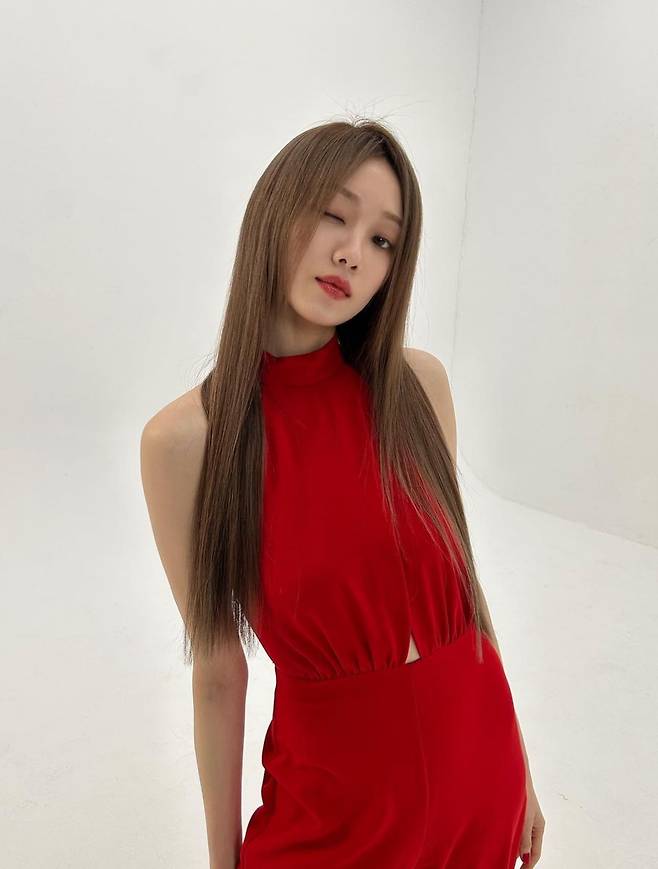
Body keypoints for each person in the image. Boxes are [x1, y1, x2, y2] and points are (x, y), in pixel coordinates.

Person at [139, 117, 545, 868]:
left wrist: (521, 769)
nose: (353, 252)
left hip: (480, 786)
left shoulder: (416, 389)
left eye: (383, 239)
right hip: (335, 820)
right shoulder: (187, 442)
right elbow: (220, 674)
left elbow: (466, 595)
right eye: (334, 213)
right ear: (274, 209)